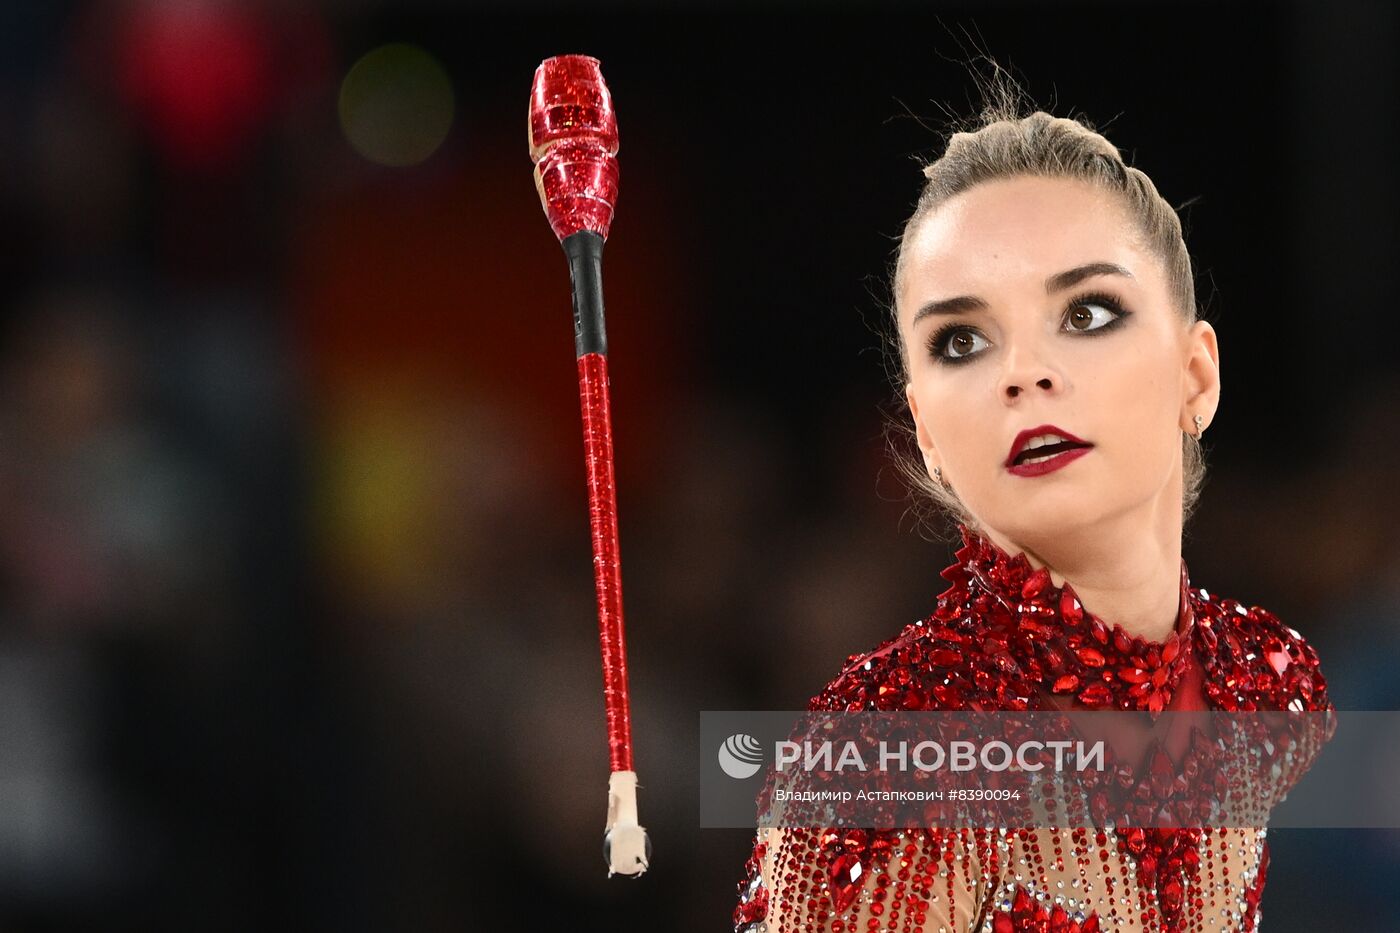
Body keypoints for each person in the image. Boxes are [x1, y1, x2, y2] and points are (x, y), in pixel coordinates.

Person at [731, 88, 1334, 933]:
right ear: (927, 432)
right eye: (962, 341)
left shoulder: (1263, 682)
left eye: (1086, 312)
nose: (1023, 372)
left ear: (1196, 376)